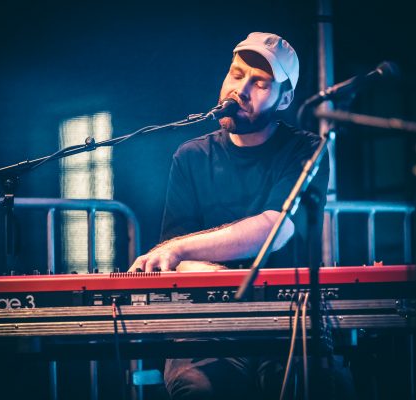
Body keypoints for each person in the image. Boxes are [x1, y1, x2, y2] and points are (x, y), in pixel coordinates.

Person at [129, 32, 354, 399]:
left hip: (288, 323)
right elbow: (173, 257)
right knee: (196, 386)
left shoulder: (307, 150)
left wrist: (180, 251)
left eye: (259, 82)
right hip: (204, 326)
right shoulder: (191, 157)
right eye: (236, 74)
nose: (241, 90)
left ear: (284, 99)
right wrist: (190, 261)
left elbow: (276, 228)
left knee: (322, 386)